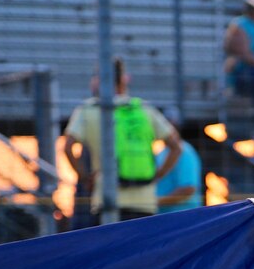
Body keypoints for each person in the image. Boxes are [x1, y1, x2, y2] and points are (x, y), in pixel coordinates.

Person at [63, 57, 180, 223]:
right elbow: (176, 147)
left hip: (107, 199)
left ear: (100, 79)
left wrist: (85, 178)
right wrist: (157, 175)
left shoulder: (89, 109)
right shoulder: (144, 108)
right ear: (124, 79)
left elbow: (67, 147)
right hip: (145, 203)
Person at [155, 110, 203, 214]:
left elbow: (188, 189)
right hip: (164, 218)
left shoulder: (186, 152)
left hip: (182, 219)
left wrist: (155, 202)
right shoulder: (161, 152)